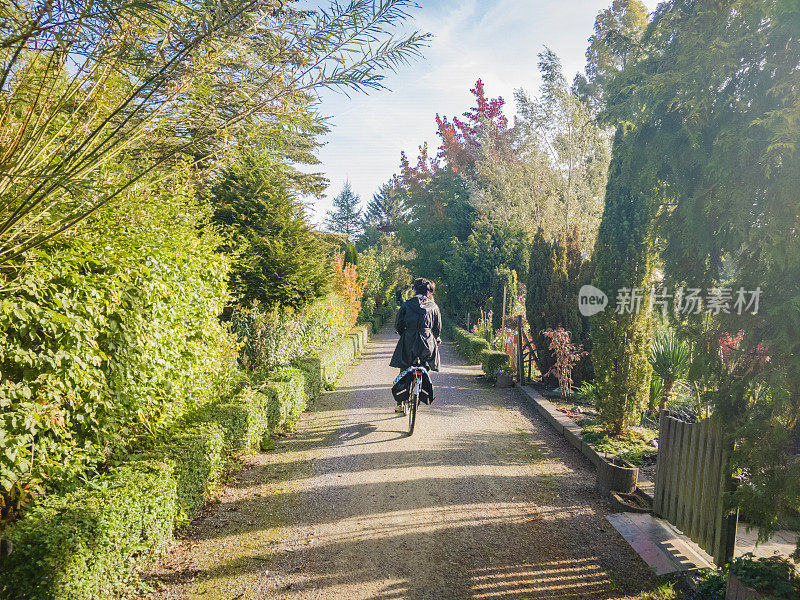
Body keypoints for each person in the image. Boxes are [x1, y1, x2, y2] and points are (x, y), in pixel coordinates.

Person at [389, 278, 442, 412]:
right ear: (429, 291)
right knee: (425, 365)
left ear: (415, 290)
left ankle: (400, 404)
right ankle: (422, 389)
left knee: (404, 367)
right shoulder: (433, 306)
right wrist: (436, 338)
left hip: (409, 340)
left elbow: (398, 324)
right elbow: (437, 328)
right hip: (427, 342)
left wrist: (405, 335)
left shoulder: (407, 304)